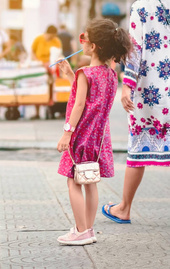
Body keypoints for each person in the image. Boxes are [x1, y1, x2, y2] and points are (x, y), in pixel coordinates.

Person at [56, 18, 132, 245]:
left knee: (73, 182)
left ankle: (80, 231)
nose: (82, 42)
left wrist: (67, 133)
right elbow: (87, 95)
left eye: (84, 38)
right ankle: (87, 229)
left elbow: (79, 105)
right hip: (98, 138)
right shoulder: (109, 73)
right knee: (90, 181)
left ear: (94, 46)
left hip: (81, 135)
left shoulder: (85, 73)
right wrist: (70, 74)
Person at [102, 0, 170, 224]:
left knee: (138, 151)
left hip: (152, 92)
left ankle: (124, 208)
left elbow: (135, 50)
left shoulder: (142, 6)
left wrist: (127, 86)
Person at [31, 25, 62, 120]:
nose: (52, 38)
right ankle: (37, 112)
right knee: (38, 87)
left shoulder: (56, 41)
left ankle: (50, 109)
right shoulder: (38, 39)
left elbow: (58, 54)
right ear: (47, 33)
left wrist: (52, 63)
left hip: (51, 66)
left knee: (51, 87)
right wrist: (39, 62)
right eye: (51, 36)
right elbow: (32, 52)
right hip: (39, 66)